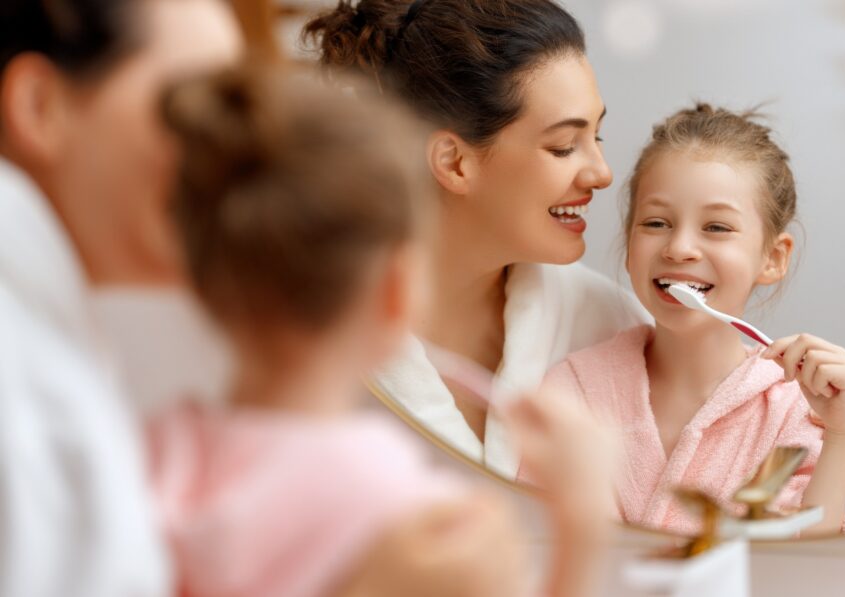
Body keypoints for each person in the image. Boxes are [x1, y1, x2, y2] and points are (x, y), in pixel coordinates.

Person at [149, 64, 618, 597]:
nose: (599, 170)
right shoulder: (399, 499)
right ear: (397, 290)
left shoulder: (160, 453)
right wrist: (580, 519)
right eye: (564, 147)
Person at [303, 0, 648, 477]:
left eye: (598, 137)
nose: (602, 173)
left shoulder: (610, 325)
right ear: (454, 163)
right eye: (564, 146)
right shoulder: (304, 336)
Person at [0, 1, 242, 594]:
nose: (236, 158)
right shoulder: (23, 386)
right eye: (197, 109)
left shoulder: (51, 337)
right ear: (39, 107)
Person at [543, 104, 845, 535]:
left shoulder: (791, 408)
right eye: (656, 222)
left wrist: (841, 436)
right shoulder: (575, 391)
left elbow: (804, 567)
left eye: (716, 227)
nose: (680, 248)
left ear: (772, 257)